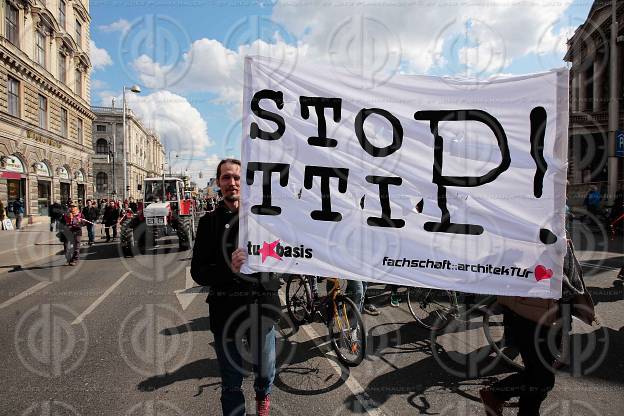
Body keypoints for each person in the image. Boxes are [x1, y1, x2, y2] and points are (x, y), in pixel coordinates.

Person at [191, 159, 279, 416]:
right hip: (225, 310)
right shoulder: (208, 223)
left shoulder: (265, 218)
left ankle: (263, 395)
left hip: (261, 306)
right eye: (226, 177)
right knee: (231, 381)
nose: (232, 183)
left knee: (265, 369)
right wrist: (227, 268)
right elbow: (198, 272)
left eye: (237, 177)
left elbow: (291, 251)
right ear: (218, 183)